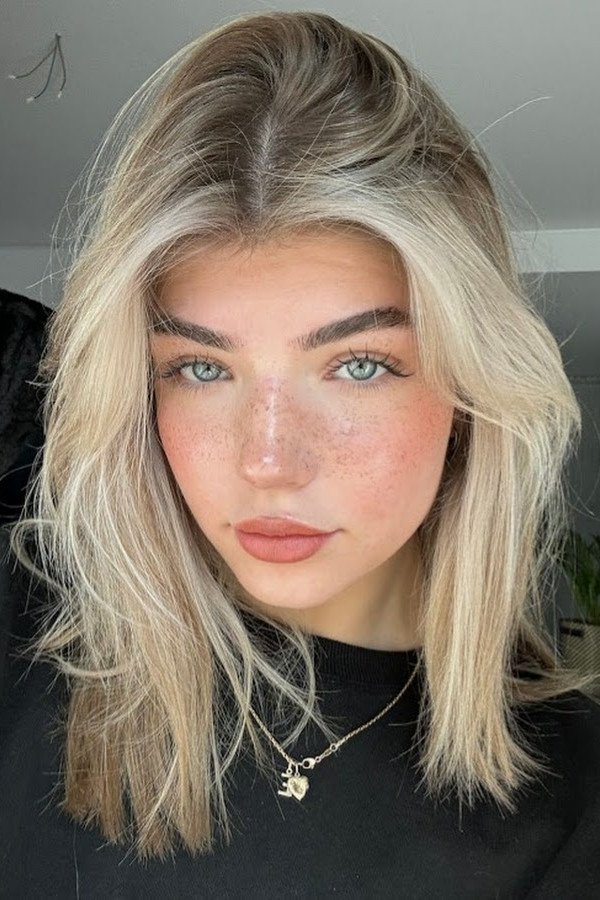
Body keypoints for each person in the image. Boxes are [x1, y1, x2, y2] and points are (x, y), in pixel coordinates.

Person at [2, 10, 599, 898]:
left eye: (359, 365)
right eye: (202, 367)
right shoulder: (25, 627)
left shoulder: (572, 802)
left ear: (471, 394)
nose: (270, 461)